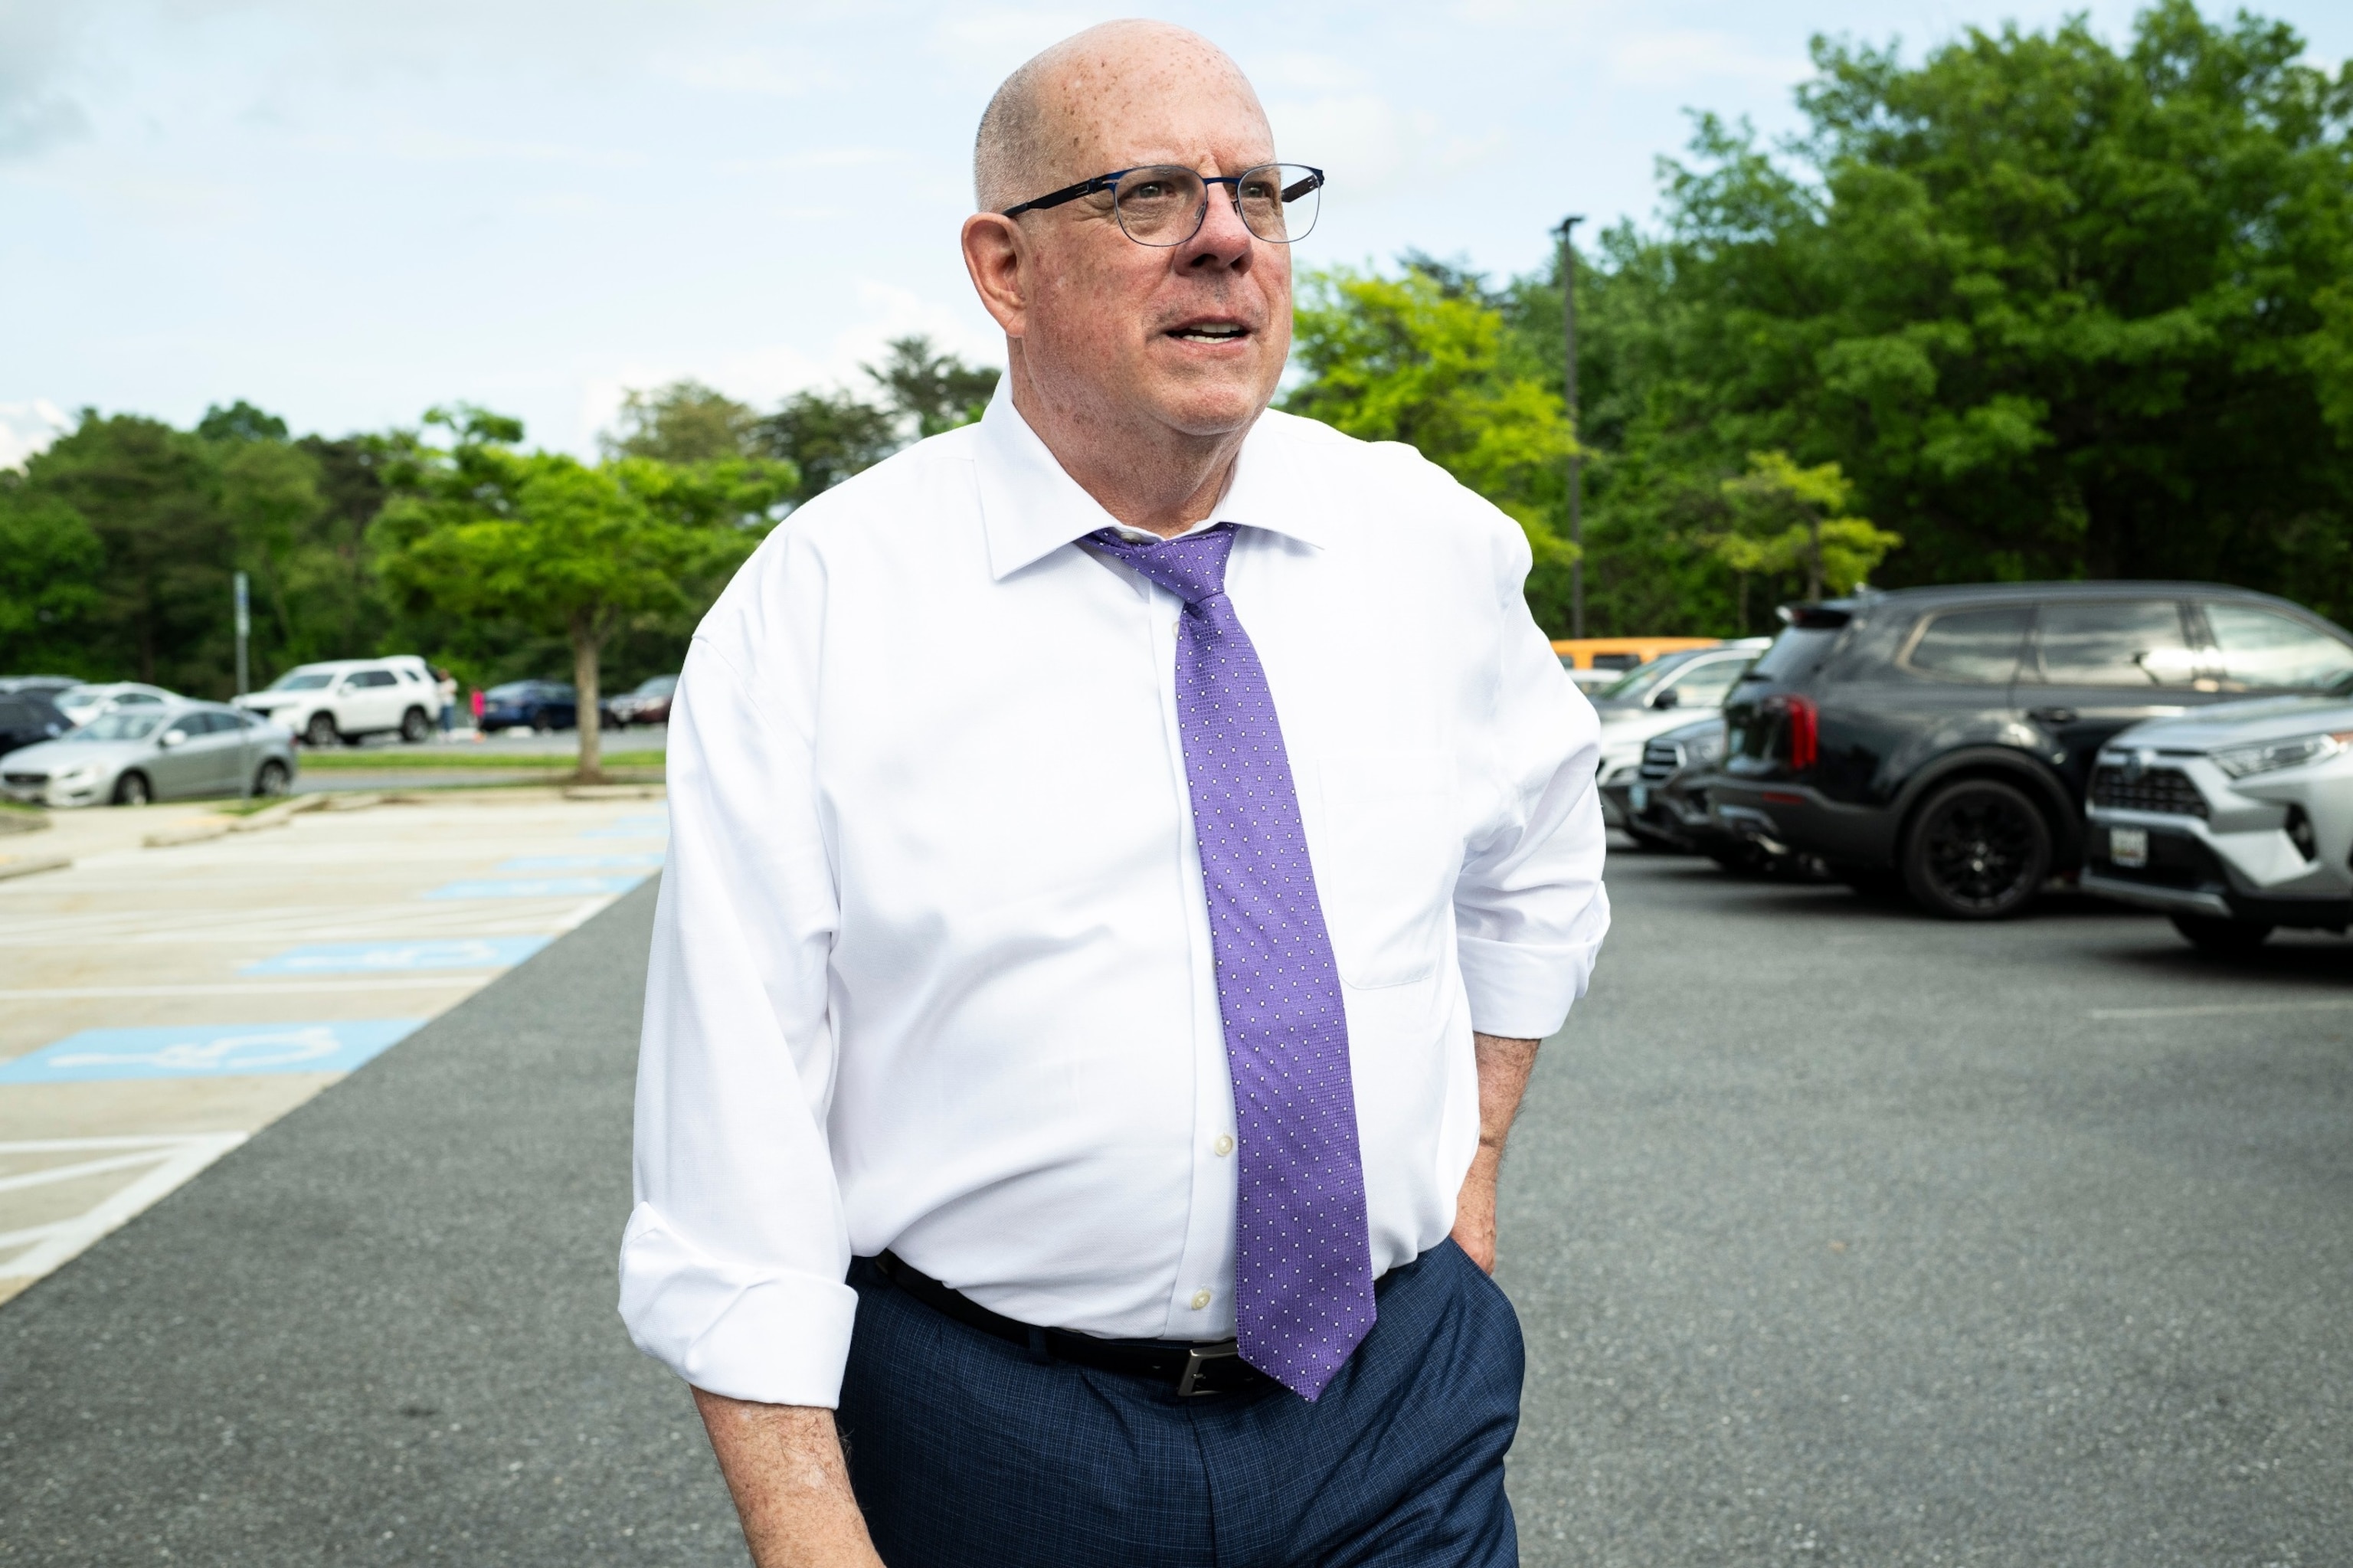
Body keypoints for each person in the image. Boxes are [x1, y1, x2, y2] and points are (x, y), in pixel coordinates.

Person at [621, 21, 1608, 1568]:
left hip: (1392, 1408)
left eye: (1261, 193)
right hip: (999, 1435)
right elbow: (733, 1114)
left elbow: (1542, 858)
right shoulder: (822, 603)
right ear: (1004, 270)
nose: (1226, 240)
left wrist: (1472, 1163)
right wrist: (812, 1533)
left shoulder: (1429, 544)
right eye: (1149, 195)